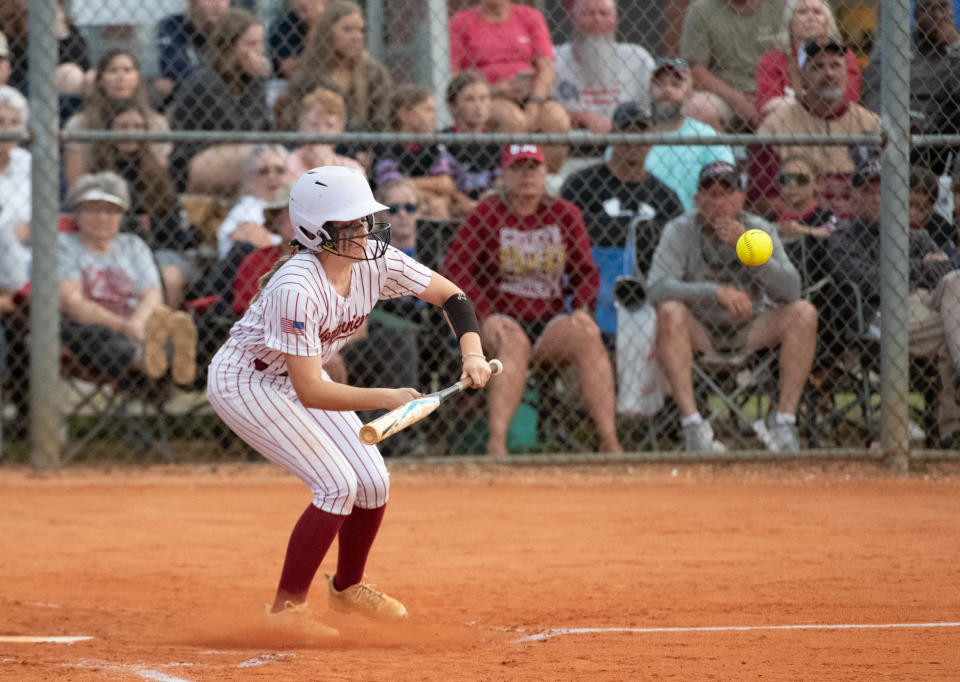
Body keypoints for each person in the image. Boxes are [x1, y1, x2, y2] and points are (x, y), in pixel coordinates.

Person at [206, 165, 492, 628]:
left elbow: (453, 297)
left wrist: (473, 354)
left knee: (374, 482)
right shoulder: (296, 288)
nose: (365, 230)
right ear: (316, 233)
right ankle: (286, 611)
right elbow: (310, 390)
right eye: (350, 224)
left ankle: (347, 586)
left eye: (364, 220)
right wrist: (387, 397)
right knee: (337, 485)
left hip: (300, 378)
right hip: (248, 382)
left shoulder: (375, 262)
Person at [443, 144, 622, 456]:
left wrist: (581, 308)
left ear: (545, 173)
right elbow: (456, 271)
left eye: (533, 168)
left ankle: (610, 443)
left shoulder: (565, 214)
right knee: (514, 344)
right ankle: (497, 447)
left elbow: (586, 271)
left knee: (588, 337)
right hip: (499, 317)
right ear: (504, 175)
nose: (527, 176)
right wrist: (483, 316)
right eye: (518, 168)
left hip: (548, 320)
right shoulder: (486, 215)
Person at [647, 160, 817, 453]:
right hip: (699, 330)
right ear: (698, 201)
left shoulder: (758, 229)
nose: (719, 202)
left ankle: (784, 422)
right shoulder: (681, 230)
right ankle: (693, 427)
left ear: (741, 198)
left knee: (804, 313)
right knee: (669, 311)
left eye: (727, 193)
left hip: (751, 328)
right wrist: (713, 291)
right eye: (710, 194)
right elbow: (657, 288)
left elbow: (791, 290)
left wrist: (749, 249)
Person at [829, 157, 960, 434]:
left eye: (883, 190)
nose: (877, 197)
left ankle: (951, 434)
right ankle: (950, 431)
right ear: (854, 197)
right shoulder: (843, 238)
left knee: (954, 285)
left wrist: (902, 270)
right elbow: (870, 282)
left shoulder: (914, 234)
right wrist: (923, 266)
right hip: (880, 316)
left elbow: (949, 267)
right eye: (868, 190)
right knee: (954, 333)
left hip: (928, 307)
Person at [59, 172, 197, 387]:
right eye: (93, 209)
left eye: (111, 210)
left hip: (139, 327)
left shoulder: (133, 245)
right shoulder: (64, 246)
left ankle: (154, 360)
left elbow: (152, 294)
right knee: (96, 336)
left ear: (121, 215)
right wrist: (123, 326)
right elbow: (72, 302)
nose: (102, 217)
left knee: (178, 328)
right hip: (92, 328)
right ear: (77, 213)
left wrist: (136, 325)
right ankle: (153, 362)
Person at [340, 179, 428, 457]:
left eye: (410, 208)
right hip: (375, 341)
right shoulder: (369, 253)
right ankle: (390, 436)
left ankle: (389, 434)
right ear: (379, 216)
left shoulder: (433, 249)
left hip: (430, 340)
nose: (403, 215)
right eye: (395, 209)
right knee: (400, 339)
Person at [748, 37, 881, 216]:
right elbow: (763, 200)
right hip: (798, 233)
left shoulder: (872, 125)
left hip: (861, 231)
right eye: (818, 67)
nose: (829, 73)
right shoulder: (774, 126)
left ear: (846, 73)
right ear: (801, 77)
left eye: (835, 66)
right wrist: (814, 221)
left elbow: (891, 192)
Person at [89, 98, 200, 310]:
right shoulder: (99, 173)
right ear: (110, 131)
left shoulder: (157, 174)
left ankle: (163, 334)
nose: (132, 132)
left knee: (169, 276)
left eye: (138, 127)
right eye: (124, 127)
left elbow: (173, 228)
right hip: (112, 250)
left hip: (161, 250)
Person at [560, 101, 684, 275]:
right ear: (612, 135)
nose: (633, 140)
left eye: (641, 132)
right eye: (627, 131)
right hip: (593, 279)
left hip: (650, 282)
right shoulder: (580, 184)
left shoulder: (666, 197)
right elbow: (565, 236)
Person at [448, 0, 571, 172]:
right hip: (489, 97)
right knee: (514, 121)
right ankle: (509, 179)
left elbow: (546, 68)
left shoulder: (530, 17)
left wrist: (534, 103)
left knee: (557, 119)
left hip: (530, 94)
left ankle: (543, 178)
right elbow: (454, 74)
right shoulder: (462, 22)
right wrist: (492, 89)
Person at [168, 8, 271, 196]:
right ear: (229, 46)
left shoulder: (243, 78)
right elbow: (239, 132)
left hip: (234, 155)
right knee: (259, 155)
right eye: (251, 43)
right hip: (195, 161)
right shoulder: (206, 80)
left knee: (271, 155)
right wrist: (258, 81)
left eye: (261, 43)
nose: (260, 50)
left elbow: (263, 126)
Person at [863, 0, 960, 174]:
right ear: (916, 14)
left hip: (939, 134)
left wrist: (956, 48)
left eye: (943, 7)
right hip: (891, 125)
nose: (937, 15)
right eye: (928, 7)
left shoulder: (957, 47)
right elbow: (873, 88)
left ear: (953, 14)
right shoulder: (895, 39)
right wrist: (890, 121)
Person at [63, 50, 172, 189]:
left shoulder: (157, 123)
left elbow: (159, 180)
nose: (120, 77)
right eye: (112, 70)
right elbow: (75, 182)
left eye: (127, 70)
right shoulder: (80, 124)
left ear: (137, 78)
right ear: (100, 80)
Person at [282, 1, 393, 133]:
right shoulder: (308, 74)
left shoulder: (374, 72)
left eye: (361, 30)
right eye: (347, 29)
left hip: (363, 147)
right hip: (317, 144)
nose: (356, 37)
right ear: (328, 32)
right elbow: (294, 122)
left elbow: (380, 121)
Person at [680, 0, 790, 131]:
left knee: (791, 108)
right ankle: (720, 152)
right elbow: (696, 71)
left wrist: (767, 97)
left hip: (774, 92)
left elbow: (796, 56)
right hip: (724, 96)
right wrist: (736, 100)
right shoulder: (701, 10)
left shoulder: (784, 6)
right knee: (698, 108)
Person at [371, 84, 476, 221]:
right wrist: (430, 191)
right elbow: (391, 186)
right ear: (404, 115)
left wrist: (407, 183)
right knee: (437, 203)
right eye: (427, 110)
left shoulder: (432, 144)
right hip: (392, 207)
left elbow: (445, 183)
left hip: (427, 199)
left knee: (445, 202)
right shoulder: (386, 145)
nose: (434, 116)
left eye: (434, 111)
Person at [643, 58, 736, 211]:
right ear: (650, 90)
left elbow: (727, 185)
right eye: (659, 84)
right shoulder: (633, 139)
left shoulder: (707, 137)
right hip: (646, 220)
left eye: (676, 84)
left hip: (692, 223)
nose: (667, 90)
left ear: (689, 93)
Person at [552, 0, 656, 134]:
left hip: (626, 143)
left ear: (616, 19)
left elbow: (651, 111)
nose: (597, 20)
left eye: (604, 13)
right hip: (567, 143)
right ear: (571, 17)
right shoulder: (554, 59)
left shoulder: (637, 57)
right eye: (587, 13)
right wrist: (584, 117)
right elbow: (544, 110)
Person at [754, 0, 860, 119]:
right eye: (803, 12)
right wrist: (820, 99)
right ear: (790, 22)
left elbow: (848, 102)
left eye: (817, 12)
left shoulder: (844, 56)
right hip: (787, 129)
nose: (811, 17)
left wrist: (791, 102)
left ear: (827, 22)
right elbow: (767, 107)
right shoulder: (773, 60)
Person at [217, 145, 292, 260]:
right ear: (250, 178)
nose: (272, 176)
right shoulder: (245, 208)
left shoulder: (294, 206)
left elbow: (264, 241)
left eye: (280, 170)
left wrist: (268, 238)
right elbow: (248, 236)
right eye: (263, 171)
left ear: (289, 175)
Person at [155, 0, 231, 101]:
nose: (218, 4)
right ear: (192, 3)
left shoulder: (234, 28)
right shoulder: (173, 25)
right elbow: (175, 71)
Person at [442, 71, 501, 201]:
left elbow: (500, 182)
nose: (479, 106)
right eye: (470, 99)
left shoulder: (496, 142)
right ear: (452, 106)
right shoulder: (441, 141)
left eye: (483, 98)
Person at [286, 87, 364, 178]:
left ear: (341, 130)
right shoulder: (284, 165)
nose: (321, 132)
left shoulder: (352, 169)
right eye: (314, 124)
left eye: (330, 125)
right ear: (300, 126)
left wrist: (325, 165)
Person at [0, 86, 30, 266]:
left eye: (14, 122)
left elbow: (42, 221)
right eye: (0, 121)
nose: (7, 130)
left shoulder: (29, 162)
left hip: (24, 256)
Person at [268, 0, 328, 79]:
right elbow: (288, 72)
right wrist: (315, 26)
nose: (301, 2)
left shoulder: (336, 17)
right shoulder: (282, 25)